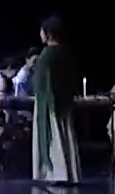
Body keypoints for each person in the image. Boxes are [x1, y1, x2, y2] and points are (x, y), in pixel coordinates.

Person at [31, 15, 81, 185]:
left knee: (53, 136)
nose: (40, 34)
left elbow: (41, 82)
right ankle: (68, 172)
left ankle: (56, 173)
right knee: (65, 134)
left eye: (42, 31)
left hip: (48, 103)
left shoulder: (47, 55)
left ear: (49, 33)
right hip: (64, 101)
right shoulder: (66, 52)